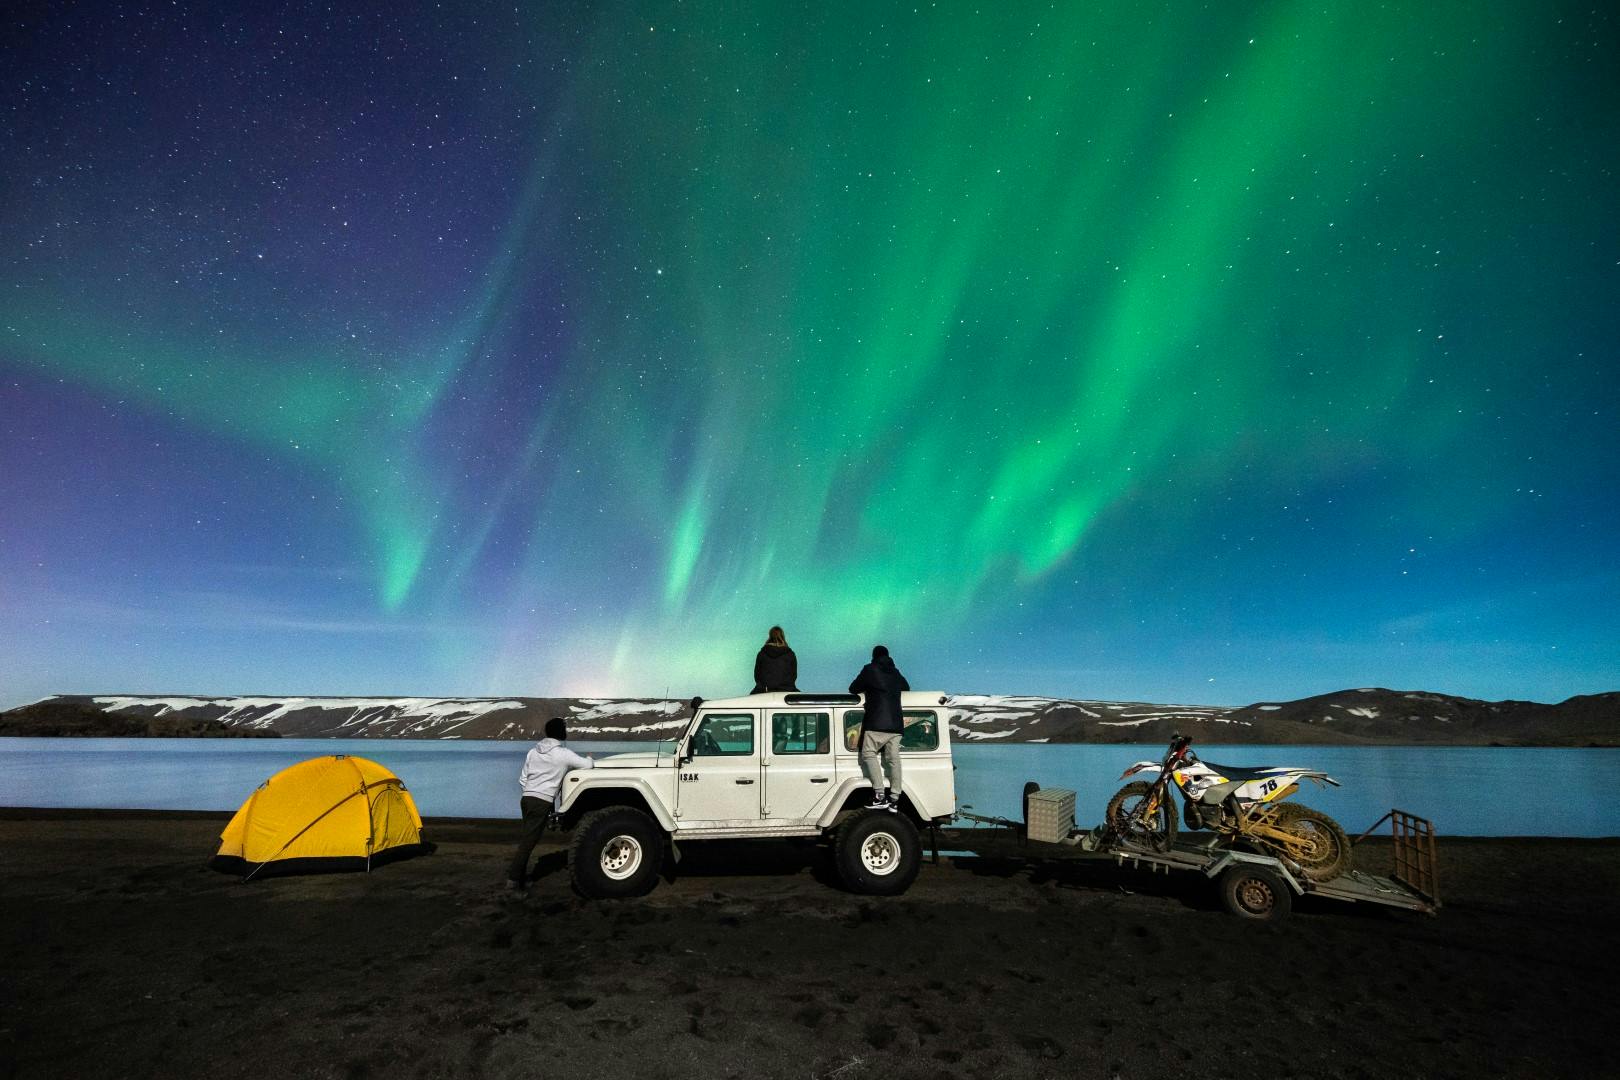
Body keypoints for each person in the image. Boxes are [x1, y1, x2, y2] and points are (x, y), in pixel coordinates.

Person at [507, 717, 594, 890]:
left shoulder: (533, 752)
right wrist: (590, 758)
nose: (566, 731)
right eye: (564, 728)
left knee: (527, 839)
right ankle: (513, 883)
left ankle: (521, 880)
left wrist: (532, 791)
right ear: (560, 732)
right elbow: (587, 765)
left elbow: (523, 779)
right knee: (528, 843)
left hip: (526, 799)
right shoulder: (563, 754)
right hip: (541, 801)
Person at [848, 644, 909, 811]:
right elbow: (906, 687)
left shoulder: (870, 669)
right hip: (896, 724)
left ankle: (879, 794)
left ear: (873, 656)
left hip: (876, 721)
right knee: (893, 759)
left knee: (868, 753)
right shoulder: (895, 672)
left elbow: (853, 688)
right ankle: (895, 798)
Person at [752, 625, 799, 693]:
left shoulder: (762, 654)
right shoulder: (790, 654)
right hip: (787, 689)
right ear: (783, 636)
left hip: (764, 690)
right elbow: (794, 675)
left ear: (770, 636)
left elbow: (757, 675)